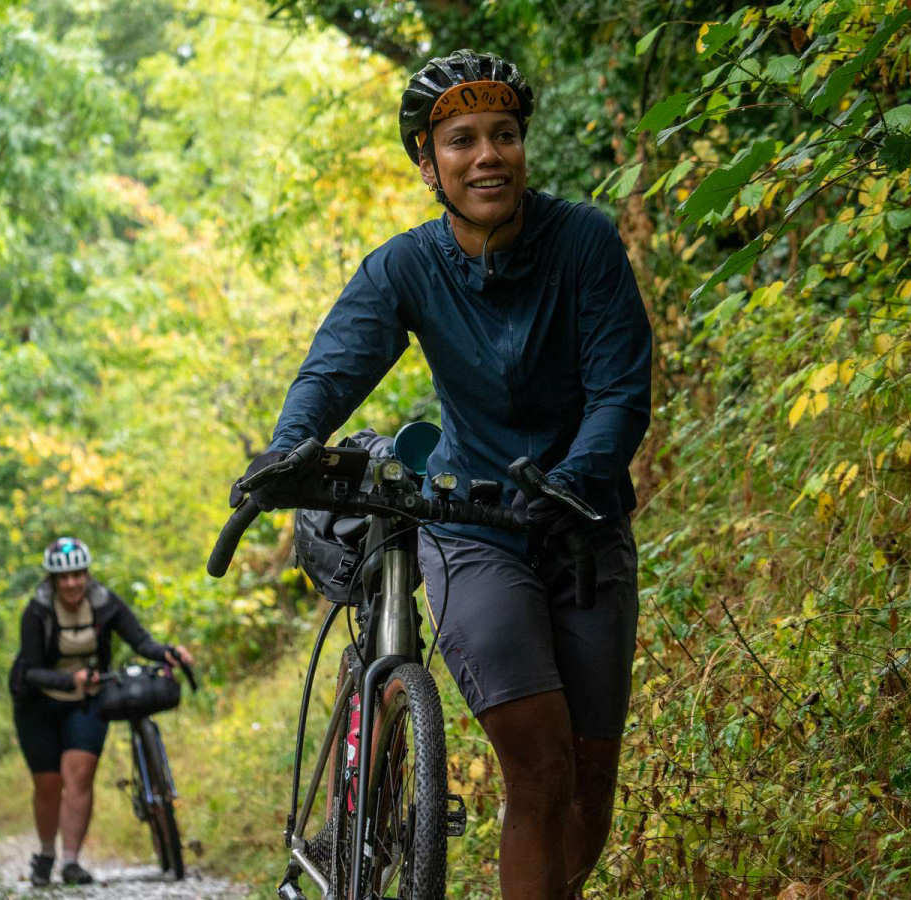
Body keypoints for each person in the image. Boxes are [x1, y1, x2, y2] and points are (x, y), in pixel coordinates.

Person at [248, 49, 651, 899]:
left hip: (584, 527)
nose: (487, 155)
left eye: (503, 135)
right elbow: (333, 370)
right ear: (429, 166)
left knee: (588, 791)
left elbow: (620, 389)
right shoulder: (406, 266)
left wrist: (575, 480)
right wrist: (290, 447)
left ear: (523, 149)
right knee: (539, 770)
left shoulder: (582, 242)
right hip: (474, 531)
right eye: (461, 140)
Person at [8, 536, 193, 886]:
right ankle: (46, 853)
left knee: (79, 774)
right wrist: (69, 680)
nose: (71, 583)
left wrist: (169, 653)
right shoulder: (36, 611)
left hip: (89, 700)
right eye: (63, 578)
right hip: (37, 704)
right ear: (52, 580)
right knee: (48, 783)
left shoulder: (105, 602)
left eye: (77, 575)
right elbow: (30, 669)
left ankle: (72, 862)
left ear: (86, 574)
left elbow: (140, 640)